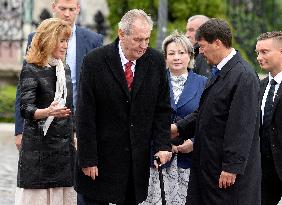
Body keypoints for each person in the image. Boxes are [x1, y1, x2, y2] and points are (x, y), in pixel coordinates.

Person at [74, 9, 172, 205]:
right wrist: (87, 159)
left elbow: (162, 109)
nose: (143, 45)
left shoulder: (155, 61)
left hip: (135, 164)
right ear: (121, 34)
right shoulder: (95, 61)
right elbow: (85, 113)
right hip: (100, 161)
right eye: (137, 39)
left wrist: (162, 145)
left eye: (147, 39)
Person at [171, 18, 261, 205]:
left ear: (218, 43)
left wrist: (231, 167)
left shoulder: (243, 75)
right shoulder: (220, 71)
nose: (201, 52)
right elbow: (206, 112)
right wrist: (178, 129)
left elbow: (241, 126)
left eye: (203, 46)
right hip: (208, 168)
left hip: (225, 175)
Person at [14, 0, 103, 150]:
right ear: (53, 7)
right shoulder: (36, 37)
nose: (67, 14)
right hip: (41, 126)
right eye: (62, 8)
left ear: (78, 9)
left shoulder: (93, 40)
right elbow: (24, 87)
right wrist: (19, 130)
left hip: (78, 125)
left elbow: (98, 88)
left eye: (71, 9)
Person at [15, 18, 75, 205]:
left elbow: (70, 109)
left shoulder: (64, 69)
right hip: (39, 150)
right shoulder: (31, 69)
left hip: (63, 152)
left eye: (67, 41)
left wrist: (75, 135)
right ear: (49, 40)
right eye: (61, 40)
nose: (65, 46)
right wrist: (47, 112)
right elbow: (26, 108)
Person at [141, 31, 207, 205]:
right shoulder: (153, 82)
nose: (177, 57)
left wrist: (194, 142)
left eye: (182, 53)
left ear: (190, 56)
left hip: (191, 160)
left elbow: (209, 120)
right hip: (157, 159)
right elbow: (144, 118)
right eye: (171, 53)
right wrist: (162, 143)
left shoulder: (204, 83)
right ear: (165, 57)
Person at [256, 31, 282, 205]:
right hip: (263, 173)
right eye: (257, 53)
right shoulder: (261, 85)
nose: (259, 57)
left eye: (264, 52)